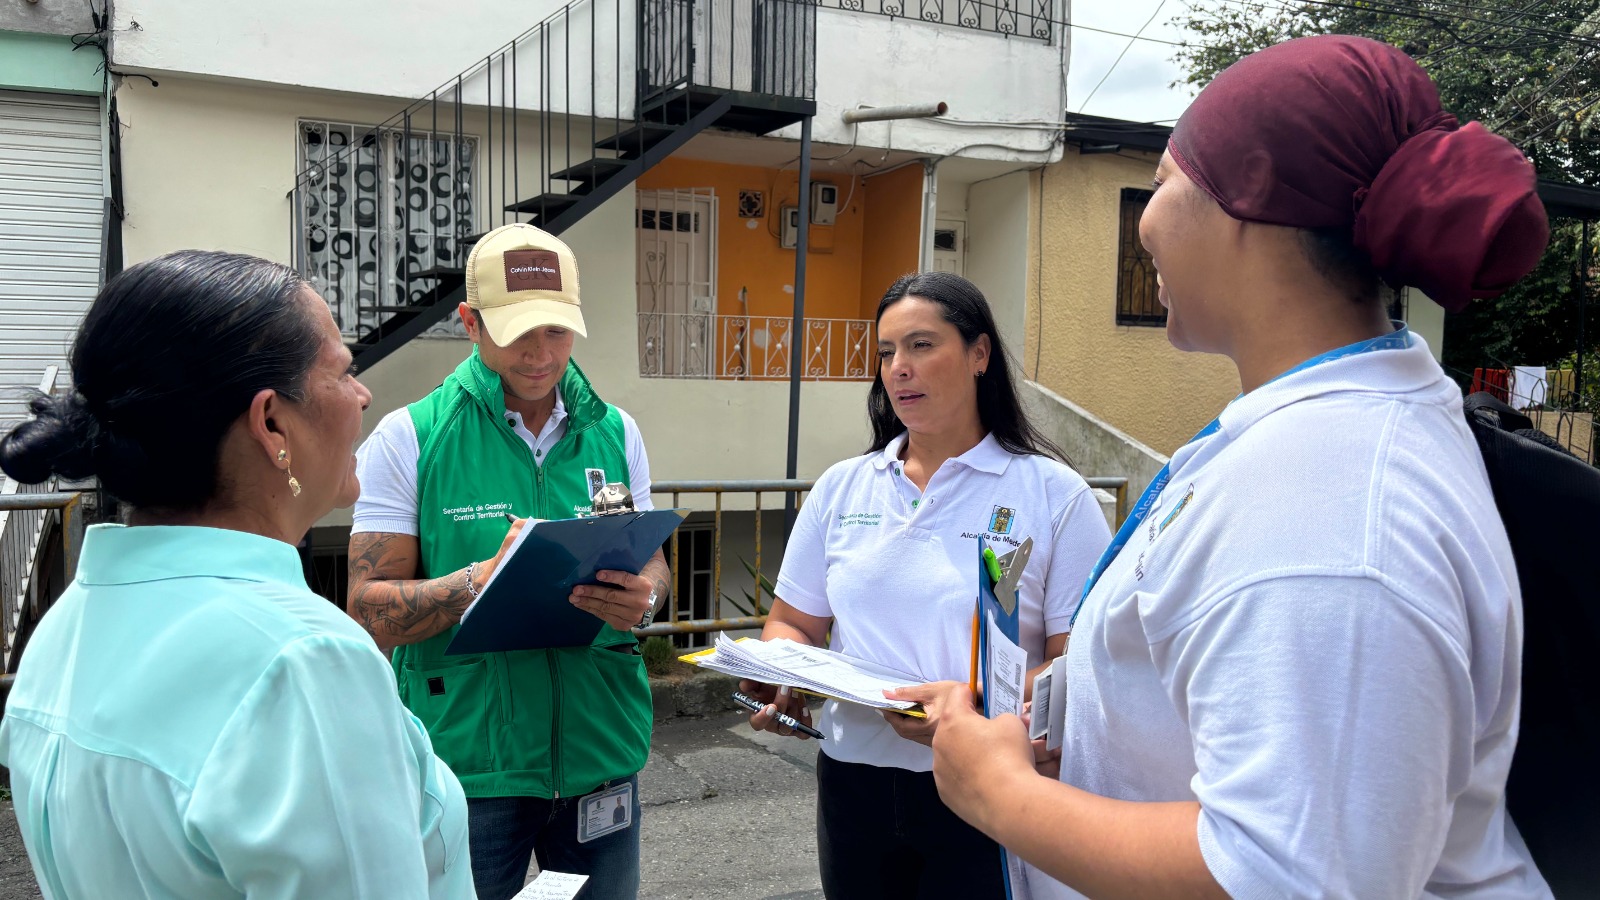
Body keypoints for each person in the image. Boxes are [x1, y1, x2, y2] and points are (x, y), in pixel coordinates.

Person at [894, 35, 1557, 899]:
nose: (1147, 218)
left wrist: (1000, 794)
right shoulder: (1313, 443)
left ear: (1245, 201)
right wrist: (1086, 721)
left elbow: (1287, 876)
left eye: (1166, 179)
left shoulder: (1332, 509)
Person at [0, 251, 473, 898]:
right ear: (272, 423)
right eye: (344, 370)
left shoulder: (62, 631)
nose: (363, 395)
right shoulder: (302, 662)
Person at [741, 271, 1112, 899]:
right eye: (886, 352)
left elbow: (1076, 666)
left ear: (979, 355)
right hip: (851, 780)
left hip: (986, 782)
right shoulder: (843, 487)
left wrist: (962, 704)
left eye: (920, 345)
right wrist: (786, 676)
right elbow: (795, 623)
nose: (898, 368)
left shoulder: (1050, 495)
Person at [347, 223, 668, 900]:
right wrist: (473, 583)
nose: (540, 351)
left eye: (556, 329)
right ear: (469, 322)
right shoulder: (410, 437)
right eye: (518, 329)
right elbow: (369, 610)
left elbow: (656, 565)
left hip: (599, 749)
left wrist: (646, 598)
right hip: (470, 766)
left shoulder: (617, 430)